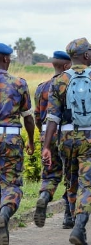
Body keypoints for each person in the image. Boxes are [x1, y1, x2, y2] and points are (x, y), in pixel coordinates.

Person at [42, 38, 91, 245]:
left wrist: (46, 146)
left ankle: (71, 217)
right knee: (90, 183)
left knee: (72, 180)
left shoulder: (59, 80)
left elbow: (52, 117)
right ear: (87, 56)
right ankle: (79, 226)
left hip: (66, 138)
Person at [0, 43, 34, 244]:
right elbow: (28, 118)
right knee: (11, 183)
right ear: (5, 59)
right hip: (10, 139)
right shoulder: (19, 83)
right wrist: (30, 140)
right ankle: (4, 215)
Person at [33, 51, 71, 229]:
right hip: (65, 134)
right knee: (71, 175)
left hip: (46, 135)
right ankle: (68, 217)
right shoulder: (68, 85)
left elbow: (37, 116)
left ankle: (44, 197)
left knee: (50, 174)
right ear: (65, 66)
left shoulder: (41, 87)